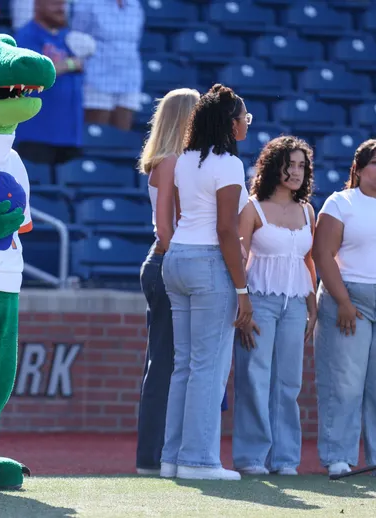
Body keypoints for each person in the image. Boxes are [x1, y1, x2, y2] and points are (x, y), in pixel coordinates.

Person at [158, 83, 252, 481]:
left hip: (177, 257)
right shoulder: (228, 163)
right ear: (231, 124)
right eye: (244, 117)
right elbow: (227, 230)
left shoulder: (182, 160)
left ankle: (172, 459)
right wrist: (243, 290)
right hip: (208, 262)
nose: (247, 123)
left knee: (185, 366)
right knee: (209, 367)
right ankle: (198, 461)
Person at [312, 138, 376, 478]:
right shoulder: (340, 203)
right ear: (359, 168)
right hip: (349, 300)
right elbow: (323, 255)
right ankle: (338, 457)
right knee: (344, 382)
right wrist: (344, 302)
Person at [233, 136, 317, 476]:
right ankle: (251, 458)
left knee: (289, 384)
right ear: (273, 166)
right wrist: (244, 305)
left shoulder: (308, 210)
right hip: (259, 302)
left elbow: (308, 261)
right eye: (289, 164)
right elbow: (238, 257)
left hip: (296, 304)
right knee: (254, 378)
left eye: (301, 165)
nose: (295, 171)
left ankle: (285, 460)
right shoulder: (251, 208)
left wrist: (312, 306)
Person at [135, 88, 200, 475]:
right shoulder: (171, 161)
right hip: (167, 262)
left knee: (169, 363)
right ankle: (153, 457)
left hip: (164, 261)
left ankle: (163, 454)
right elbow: (166, 228)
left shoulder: (173, 160)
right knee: (165, 366)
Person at [14, 0, 87, 178]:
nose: (61, 8)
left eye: (63, 4)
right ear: (37, 6)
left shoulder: (69, 38)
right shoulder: (26, 35)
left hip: (69, 135)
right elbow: (34, 73)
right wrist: (70, 64)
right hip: (36, 134)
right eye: (54, 3)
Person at [70, 0, 144, 131]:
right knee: (97, 133)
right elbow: (76, 38)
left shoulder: (135, 4)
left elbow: (136, 39)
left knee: (121, 136)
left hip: (129, 78)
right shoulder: (87, 3)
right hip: (96, 78)